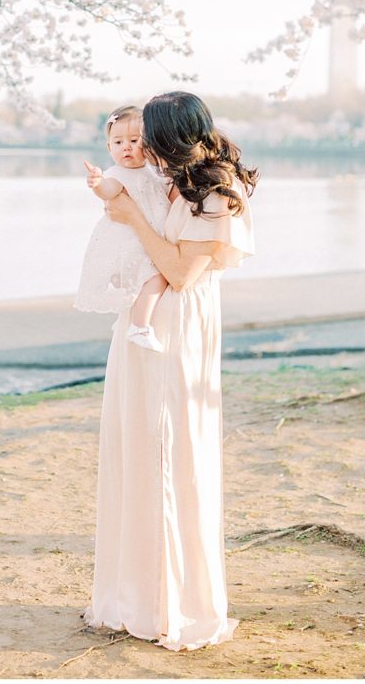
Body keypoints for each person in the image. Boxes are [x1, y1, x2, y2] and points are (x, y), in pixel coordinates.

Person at [82, 91, 257, 651]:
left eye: (152, 136)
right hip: (146, 321)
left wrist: (131, 216)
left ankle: (171, 606)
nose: (145, 147)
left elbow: (181, 272)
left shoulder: (217, 192)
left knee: (170, 453)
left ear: (174, 136)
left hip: (178, 325)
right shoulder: (171, 179)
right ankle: (130, 597)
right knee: (137, 447)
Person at [74, 104, 170, 352]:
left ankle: (130, 319)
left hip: (147, 239)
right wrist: (97, 183)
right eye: (117, 142)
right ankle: (139, 326)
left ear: (148, 144)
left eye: (134, 140)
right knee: (155, 278)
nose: (125, 147)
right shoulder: (117, 175)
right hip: (131, 242)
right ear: (109, 148)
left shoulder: (153, 173)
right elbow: (108, 190)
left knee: (146, 282)